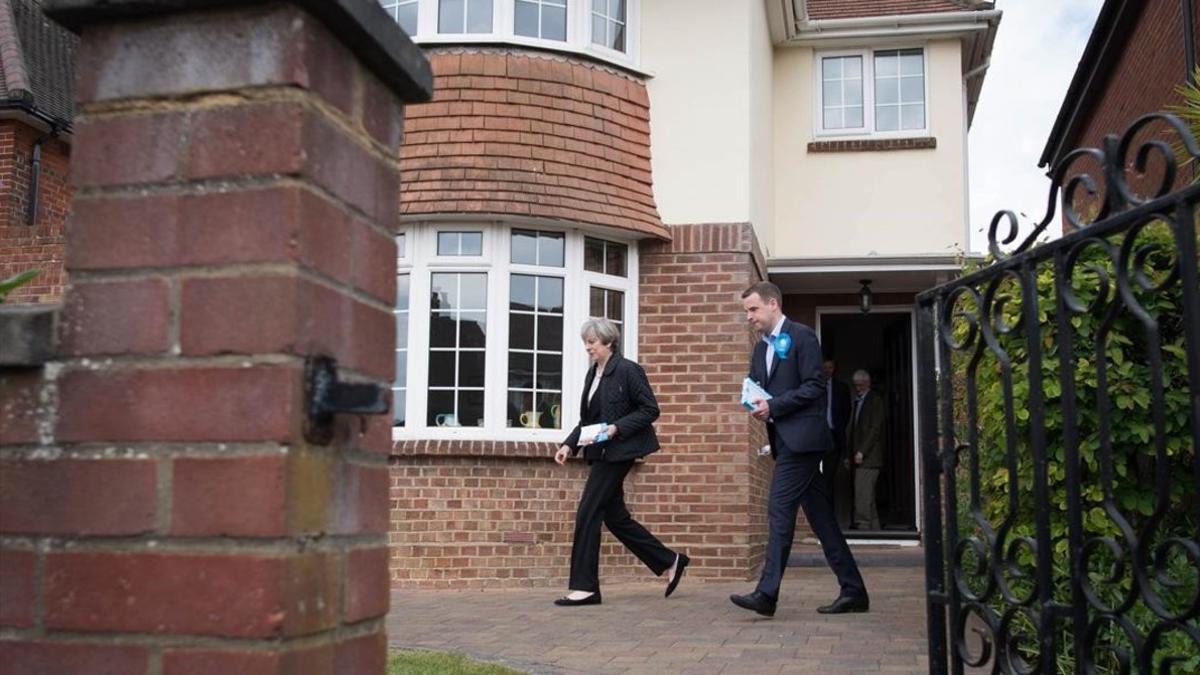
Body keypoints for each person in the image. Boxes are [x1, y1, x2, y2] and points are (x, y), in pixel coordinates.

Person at [730, 282, 869, 617]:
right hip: (784, 441)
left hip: (805, 442)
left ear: (772, 304)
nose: (749, 317)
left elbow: (814, 386)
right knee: (823, 521)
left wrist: (774, 406)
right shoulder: (759, 347)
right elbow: (757, 385)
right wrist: (754, 400)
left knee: (779, 509)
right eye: (746, 311)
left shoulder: (802, 335)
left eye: (753, 309)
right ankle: (854, 591)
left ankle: (767, 593)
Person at [553, 318, 689, 606]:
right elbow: (588, 420)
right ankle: (670, 560)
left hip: (619, 452)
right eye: (586, 342)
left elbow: (650, 409)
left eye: (592, 342)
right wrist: (569, 443)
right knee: (615, 518)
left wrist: (617, 428)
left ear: (608, 342)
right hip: (600, 452)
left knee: (588, 512)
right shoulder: (594, 374)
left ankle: (585, 587)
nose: (588, 347)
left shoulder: (628, 370)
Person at [848, 369, 886, 531]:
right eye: (856, 385)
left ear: (868, 384)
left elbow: (874, 429)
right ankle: (876, 530)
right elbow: (853, 429)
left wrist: (862, 451)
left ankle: (863, 526)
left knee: (863, 493)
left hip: (870, 456)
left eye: (861, 385)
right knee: (867, 494)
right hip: (860, 455)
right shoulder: (858, 402)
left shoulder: (875, 401)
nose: (858, 388)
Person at [822, 358, 852, 499]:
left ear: (834, 369)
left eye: (830, 367)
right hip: (818, 435)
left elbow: (847, 412)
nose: (827, 370)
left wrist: (839, 428)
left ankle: (829, 513)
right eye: (825, 367)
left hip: (834, 435)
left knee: (830, 476)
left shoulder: (842, 388)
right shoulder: (815, 386)